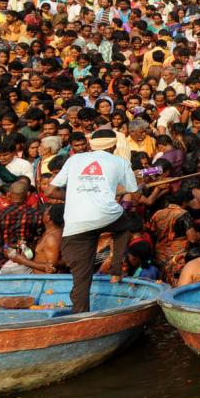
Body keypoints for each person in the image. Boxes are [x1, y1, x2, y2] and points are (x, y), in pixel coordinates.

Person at [44, 129, 139, 313]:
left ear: (91, 145)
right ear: (113, 146)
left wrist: (73, 196)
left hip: (75, 224)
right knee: (125, 226)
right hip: (107, 216)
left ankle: (79, 315)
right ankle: (116, 270)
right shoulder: (121, 162)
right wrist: (139, 183)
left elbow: (49, 192)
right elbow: (133, 193)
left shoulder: (73, 159)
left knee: (81, 278)